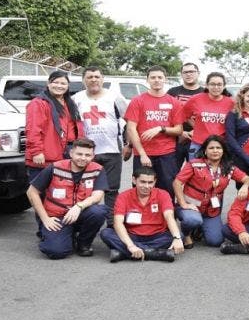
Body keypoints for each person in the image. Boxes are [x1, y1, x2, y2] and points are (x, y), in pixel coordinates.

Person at [26, 138, 108, 259]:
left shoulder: (97, 169)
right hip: (57, 216)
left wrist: (79, 206)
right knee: (56, 251)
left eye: (87, 155)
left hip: (80, 213)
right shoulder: (55, 168)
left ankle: (83, 244)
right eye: (79, 154)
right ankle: (57, 236)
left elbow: (97, 196)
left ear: (93, 156)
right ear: (71, 153)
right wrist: (45, 219)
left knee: (99, 211)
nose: (83, 158)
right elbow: (31, 192)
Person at [172, 135, 249, 248]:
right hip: (191, 208)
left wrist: (245, 186)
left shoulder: (229, 168)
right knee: (193, 220)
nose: (215, 151)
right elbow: (177, 182)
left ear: (223, 151)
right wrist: (183, 204)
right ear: (205, 151)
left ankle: (200, 228)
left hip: (211, 212)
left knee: (216, 241)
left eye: (218, 148)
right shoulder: (194, 164)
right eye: (211, 148)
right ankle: (186, 234)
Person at [72, 66, 128, 223]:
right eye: (89, 77)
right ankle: (87, 221)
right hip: (86, 152)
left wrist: (128, 144)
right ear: (84, 80)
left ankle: (112, 224)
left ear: (103, 79)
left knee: (111, 189)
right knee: (85, 189)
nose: (93, 80)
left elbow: (129, 121)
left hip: (112, 149)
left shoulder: (115, 97)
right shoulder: (76, 99)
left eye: (97, 76)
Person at [100, 167, 185, 262]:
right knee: (106, 233)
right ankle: (156, 254)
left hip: (158, 236)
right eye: (143, 182)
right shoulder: (123, 196)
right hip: (132, 236)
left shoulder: (163, 194)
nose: (147, 186)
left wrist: (177, 238)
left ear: (155, 181)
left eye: (150, 182)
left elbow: (169, 217)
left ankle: (123, 253)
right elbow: (117, 223)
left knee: (179, 235)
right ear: (134, 180)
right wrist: (131, 245)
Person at [124, 66, 185, 197]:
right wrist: (142, 154)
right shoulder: (137, 101)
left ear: (165, 79)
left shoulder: (173, 102)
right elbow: (131, 128)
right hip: (144, 154)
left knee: (167, 189)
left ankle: (166, 216)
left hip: (167, 154)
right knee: (141, 188)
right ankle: (139, 215)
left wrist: (161, 129)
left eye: (159, 77)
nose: (156, 80)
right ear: (147, 80)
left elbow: (179, 130)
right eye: (153, 77)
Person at [24, 70, 83, 181]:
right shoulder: (38, 103)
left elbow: (77, 128)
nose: (59, 86)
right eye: (55, 82)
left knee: (60, 193)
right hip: (44, 158)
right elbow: (33, 130)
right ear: (48, 83)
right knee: (40, 193)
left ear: (68, 86)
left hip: (66, 156)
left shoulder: (69, 103)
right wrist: (37, 152)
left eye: (63, 83)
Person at [181, 72, 234, 160]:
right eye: (212, 84)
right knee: (196, 171)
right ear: (206, 85)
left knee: (218, 172)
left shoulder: (231, 103)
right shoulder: (196, 99)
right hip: (198, 144)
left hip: (220, 146)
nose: (216, 87)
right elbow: (184, 115)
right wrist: (196, 126)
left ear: (224, 86)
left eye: (219, 84)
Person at [168, 63, 207, 169]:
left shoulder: (206, 93)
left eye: (191, 72)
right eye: (185, 72)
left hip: (199, 141)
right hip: (176, 139)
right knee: (172, 173)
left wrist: (197, 131)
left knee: (197, 174)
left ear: (198, 73)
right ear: (181, 74)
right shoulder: (172, 92)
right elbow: (166, 116)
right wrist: (181, 132)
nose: (188, 74)